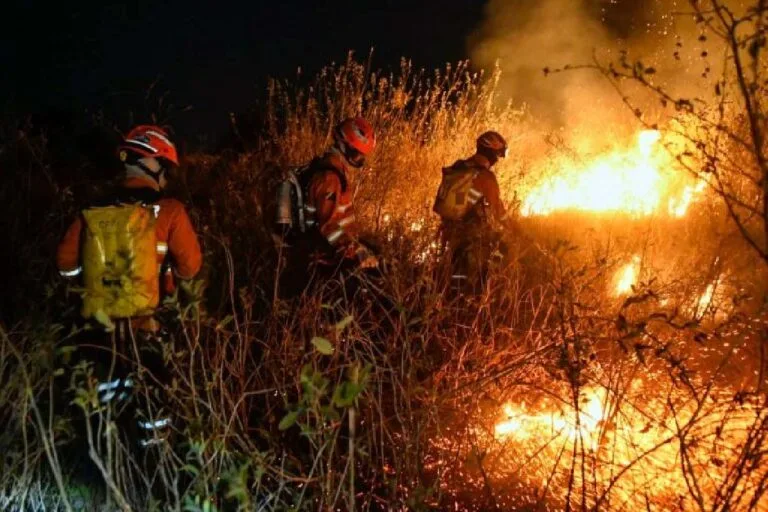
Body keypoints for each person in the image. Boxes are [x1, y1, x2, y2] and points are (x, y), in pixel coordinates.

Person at [56, 124, 202, 449]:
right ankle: (154, 473)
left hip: (100, 331)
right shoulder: (171, 212)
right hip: (149, 329)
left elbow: (65, 266)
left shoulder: (90, 212)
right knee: (154, 411)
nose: (166, 177)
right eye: (166, 169)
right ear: (155, 165)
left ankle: (105, 465)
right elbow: (191, 268)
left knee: (104, 412)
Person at [277, 117, 378, 296]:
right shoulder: (329, 179)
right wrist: (356, 250)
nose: (359, 160)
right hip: (323, 251)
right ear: (343, 145)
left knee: (375, 251)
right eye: (356, 154)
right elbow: (328, 226)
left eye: (362, 157)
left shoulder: (333, 168)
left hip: (335, 245)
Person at [433, 130, 508, 290]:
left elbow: (458, 196)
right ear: (492, 153)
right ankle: (477, 298)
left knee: (455, 272)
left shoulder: (459, 166)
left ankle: (451, 295)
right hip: (472, 236)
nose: (497, 159)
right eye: (498, 154)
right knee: (501, 250)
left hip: (449, 230)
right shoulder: (486, 177)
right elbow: (499, 213)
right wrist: (517, 228)